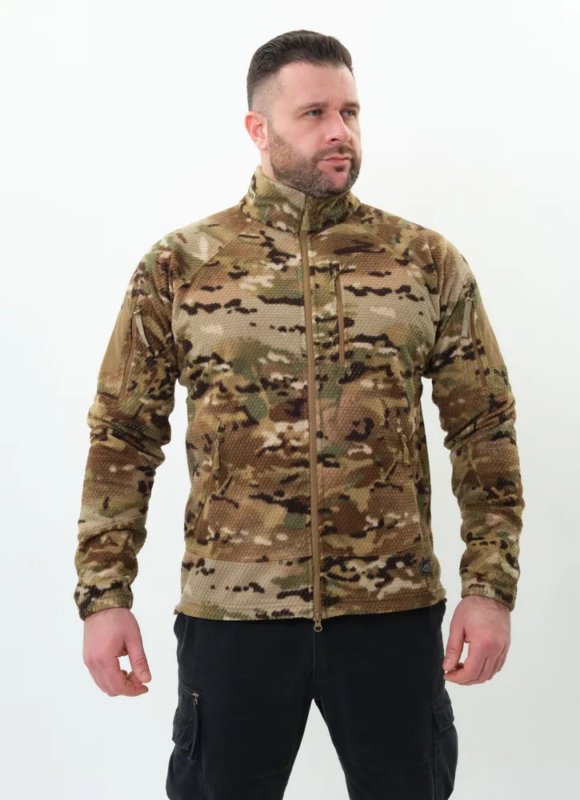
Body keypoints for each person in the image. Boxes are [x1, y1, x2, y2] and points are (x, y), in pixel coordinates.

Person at [74, 29, 525, 800]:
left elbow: (484, 427)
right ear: (259, 129)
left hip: (391, 613)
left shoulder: (424, 262)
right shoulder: (182, 265)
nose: (339, 130)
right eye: (313, 113)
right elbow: (124, 433)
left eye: (350, 111)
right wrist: (103, 596)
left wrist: (490, 588)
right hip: (232, 616)